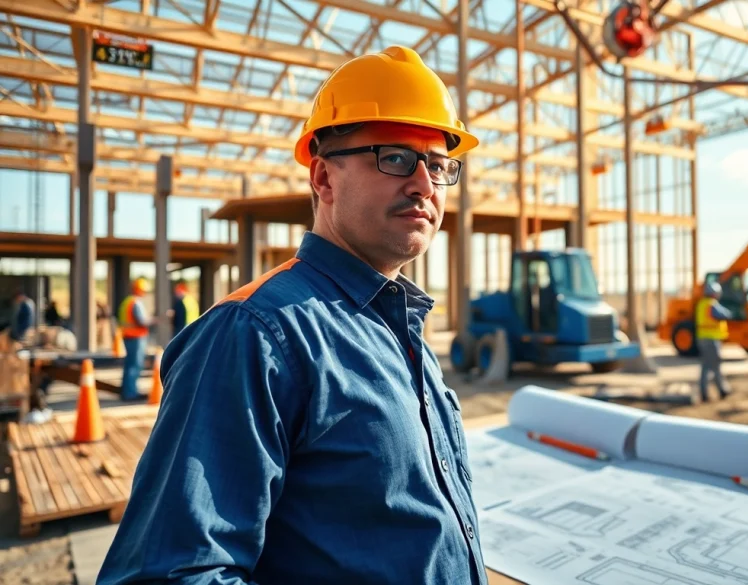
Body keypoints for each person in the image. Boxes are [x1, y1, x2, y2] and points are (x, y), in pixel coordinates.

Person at [97, 45, 485, 585]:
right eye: (395, 157)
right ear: (324, 179)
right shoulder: (254, 334)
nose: (424, 183)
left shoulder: (400, 325)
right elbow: (176, 574)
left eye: (440, 165)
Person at [695, 280, 732, 401]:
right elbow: (724, 314)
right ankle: (721, 390)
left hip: (702, 338)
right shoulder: (711, 304)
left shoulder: (701, 304)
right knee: (715, 366)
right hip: (711, 340)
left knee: (706, 367)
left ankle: (705, 392)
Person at [116, 278, 152, 401]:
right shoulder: (136, 302)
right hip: (136, 337)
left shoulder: (127, 301)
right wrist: (155, 320)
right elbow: (142, 321)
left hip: (129, 336)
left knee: (129, 365)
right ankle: (130, 393)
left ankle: (128, 391)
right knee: (134, 365)